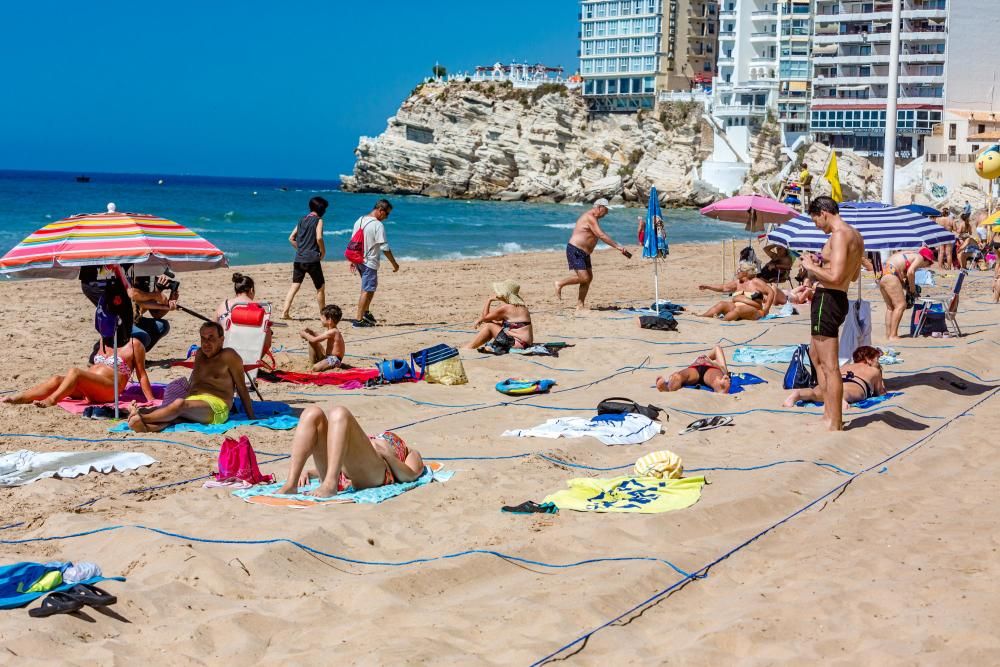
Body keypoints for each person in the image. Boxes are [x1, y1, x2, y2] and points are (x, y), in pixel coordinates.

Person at [799, 196, 865, 431]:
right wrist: (821, 262)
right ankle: (828, 413)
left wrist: (811, 267)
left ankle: (834, 421)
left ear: (823, 213)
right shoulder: (855, 235)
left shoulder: (838, 236)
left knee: (829, 365)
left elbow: (836, 277)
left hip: (827, 300)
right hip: (838, 299)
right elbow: (853, 275)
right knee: (815, 356)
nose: (817, 225)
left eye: (815, 220)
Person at [126, 322, 254, 432]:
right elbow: (195, 383)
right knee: (173, 416)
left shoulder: (228, 355)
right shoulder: (199, 354)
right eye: (203, 338)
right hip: (194, 402)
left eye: (211, 338)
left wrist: (251, 417)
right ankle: (145, 427)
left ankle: (141, 418)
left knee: (179, 405)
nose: (206, 343)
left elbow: (242, 388)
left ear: (221, 339)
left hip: (217, 406)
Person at [276, 405, 425, 498]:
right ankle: (291, 483)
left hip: (377, 472)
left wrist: (387, 455)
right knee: (312, 413)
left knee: (339, 413)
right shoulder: (367, 443)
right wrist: (310, 472)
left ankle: (330, 484)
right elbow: (343, 454)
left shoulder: (410, 451)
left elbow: (411, 475)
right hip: (342, 469)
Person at [2, 335, 153, 408]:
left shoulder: (135, 344)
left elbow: (142, 375)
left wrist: (151, 400)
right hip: (90, 387)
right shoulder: (104, 339)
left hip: (109, 390)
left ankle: (52, 400)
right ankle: (19, 398)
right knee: (57, 379)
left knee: (75, 372)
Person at [555, 198, 631, 310]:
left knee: (589, 278)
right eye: (606, 210)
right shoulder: (589, 217)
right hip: (575, 250)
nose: (607, 213)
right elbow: (601, 235)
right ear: (600, 207)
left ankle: (580, 305)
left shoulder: (594, 218)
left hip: (584, 253)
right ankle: (560, 283)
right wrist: (617, 246)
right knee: (584, 278)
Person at [783, 346, 885, 409]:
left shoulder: (846, 366)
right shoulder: (874, 370)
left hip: (834, 380)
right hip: (856, 382)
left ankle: (797, 395)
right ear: (869, 359)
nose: (878, 360)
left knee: (815, 393)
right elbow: (880, 392)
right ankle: (842, 400)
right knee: (845, 393)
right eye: (877, 358)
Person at [350, 199, 399, 327]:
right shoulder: (378, 225)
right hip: (369, 261)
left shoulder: (359, 220)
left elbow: (353, 241)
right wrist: (394, 263)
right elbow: (385, 248)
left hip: (359, 259)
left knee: (371, 287)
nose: (387, 217)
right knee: (366, 290)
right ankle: (358, 320)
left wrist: (352, 260)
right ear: (380, 210)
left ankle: (366, 312)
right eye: (386, 214)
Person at [280, 196, 327, 319]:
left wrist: (301, 249)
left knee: (295, 285)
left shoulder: (301, 220)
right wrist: (323, 251)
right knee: (320, 287)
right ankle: (323, 315)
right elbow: (319, 238)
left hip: (299, 259)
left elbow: (291, 238)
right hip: (312, 259)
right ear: (321, 209)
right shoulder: (319, 220)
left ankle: (285, 312)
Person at [877, 247, 935, 341]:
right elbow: (910, 272)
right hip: (891, 274)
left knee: (890, 307)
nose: (924, 267)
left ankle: (888, 335)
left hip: (882, 273)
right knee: (901, 305)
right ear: (926, 259)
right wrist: (912, 291)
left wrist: (907, 287)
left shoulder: (906, 254)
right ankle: (893, 335)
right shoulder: (919, 257)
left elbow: (900, 277)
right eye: (927, 264)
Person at [464, 280, 533, 350]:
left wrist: (489, 300)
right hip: (526, 344)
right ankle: (472, 346)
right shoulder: (523, 307)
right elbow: (510, 325)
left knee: (489, 326)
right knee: (493, 324)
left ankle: (469, 347)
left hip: (516, 344)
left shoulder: (506, 308)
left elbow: (485, 317)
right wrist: (482, 320)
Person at [216, 272, 273, 355]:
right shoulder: (258, 308)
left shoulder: (224, 305)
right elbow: (267, 340)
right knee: (268, 333)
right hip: (249, 356)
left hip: (225, 353)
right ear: (251, 290)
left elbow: (212, 327)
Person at [697, 262, 776, 321]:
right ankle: (703, 316)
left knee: (739, 309)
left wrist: (766, 309)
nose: (737, 271)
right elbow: (723, 288)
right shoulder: (737, 282)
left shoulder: (756, 282)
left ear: (745, 272)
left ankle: (722, 321)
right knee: (721, 304)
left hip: (754, 310)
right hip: (736, 308)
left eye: (740, 270)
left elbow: (770, 292)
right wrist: (708, 286)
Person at [655, 345, 731, 394]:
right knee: (677, 376)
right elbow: (712, 352)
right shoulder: (705, 358)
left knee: (717, 380)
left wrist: (711, 362)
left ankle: (721, 389)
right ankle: (668, 389)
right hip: (695, 368)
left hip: (711, 369)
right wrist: (705, 358)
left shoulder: (716, 357)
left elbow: (724, 370)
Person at [301, 305, 346, 371]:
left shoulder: (333, 331)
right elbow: (319, 337)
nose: (320, 319)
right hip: (327, 357)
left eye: (322, 318)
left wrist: (304, 334)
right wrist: (311, 332)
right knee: (312, 342)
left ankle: (314, 367)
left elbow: (314, 339)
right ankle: (312, 364)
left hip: (334, 359)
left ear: (329, 320)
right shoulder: (331, 330)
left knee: (316, 368)